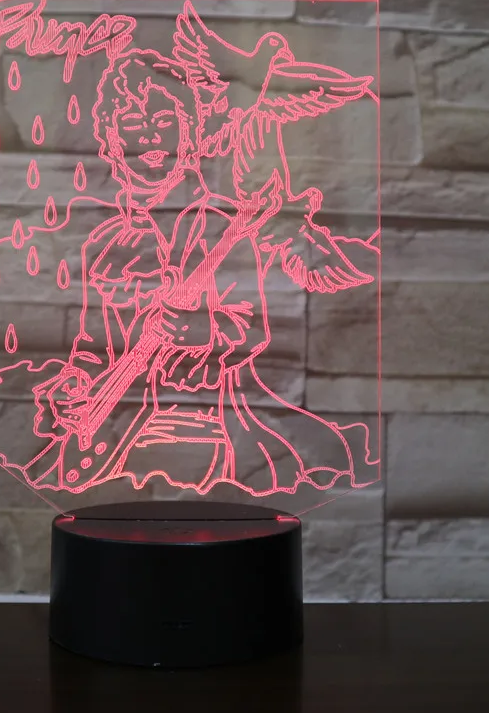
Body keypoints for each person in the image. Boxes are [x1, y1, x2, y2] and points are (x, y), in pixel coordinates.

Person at [29, 49, 377, 496]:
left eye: (164, 121)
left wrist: (200, 331)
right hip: (117, 422)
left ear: (190, 133)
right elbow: (91, 348)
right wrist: (75, 383)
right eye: (132, 124)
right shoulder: (107, 244)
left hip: (207, 413)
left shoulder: (222, 225)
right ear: (112, 141)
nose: (150, 138)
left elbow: (257, 331)